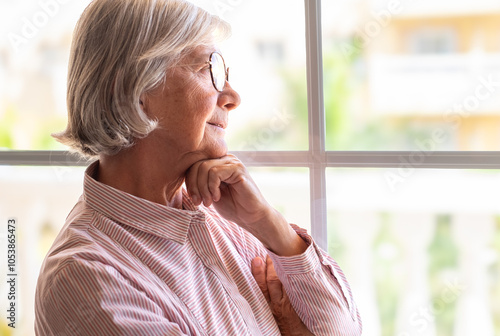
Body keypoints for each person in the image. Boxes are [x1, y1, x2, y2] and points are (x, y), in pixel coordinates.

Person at [34, 0, 362, 335]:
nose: (233, 96)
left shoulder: (229, 220)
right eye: (210, 69)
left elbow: (344, 330)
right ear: (132, 90)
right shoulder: (88, 277)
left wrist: (269, 224)